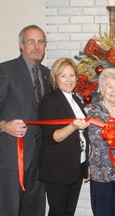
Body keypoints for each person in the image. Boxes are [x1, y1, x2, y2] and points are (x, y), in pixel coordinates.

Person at [0, 25, 50, 216]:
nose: (36, 46)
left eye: (41, 42)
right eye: (31, 41)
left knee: (35, 210)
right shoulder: (6, 70)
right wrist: (4, 126)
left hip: (39, 160)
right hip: (13, 158)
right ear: (21, 45)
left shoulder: (47, 74)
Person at [38, 58, 90, 216]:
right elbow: (53, 136)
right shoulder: (49, 101)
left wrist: (86, 163)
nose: (69, 80)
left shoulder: (76, 100)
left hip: (76, 166)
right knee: (58, 212)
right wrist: (72, 126)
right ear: (55, 78)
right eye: (63, 76)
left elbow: (83, 136)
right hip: (58, 169)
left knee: (69, 212)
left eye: (72, 75)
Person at [87, 68, 115, 216]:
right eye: (110, 86)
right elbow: (98, 140)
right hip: (102, 174)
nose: (114, 91)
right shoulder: (94, 112)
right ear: (102, 89)